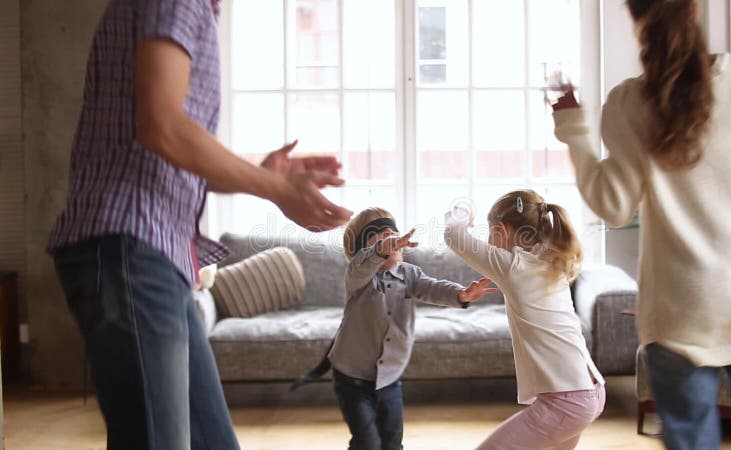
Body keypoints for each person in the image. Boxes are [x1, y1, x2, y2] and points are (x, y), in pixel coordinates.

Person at [47, 0, 352, 448]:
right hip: (129, 250)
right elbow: (163, 127)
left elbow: (169, 149)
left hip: (150, 254)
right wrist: (275, 188)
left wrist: (267, 173)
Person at [551, 0, 731, 448]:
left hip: (681, 311)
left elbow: (612, 205)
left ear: (634, 17)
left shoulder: (628, 102)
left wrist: (573, 128)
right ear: (695, 11)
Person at [310, 207, 495, 450]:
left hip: (389, 378)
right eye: (378, 234)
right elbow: (362, 265)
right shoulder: (358, 276)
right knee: (367, 443)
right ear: (361, 250)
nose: (390, 237)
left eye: (393, 233)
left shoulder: (409, 275)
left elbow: (432, 287)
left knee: (392, 441)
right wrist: (382, 247)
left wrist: (461, 294)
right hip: (351, 378)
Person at [444, 191, 605, 450]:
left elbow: (453, 235)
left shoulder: (513, 265)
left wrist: (462, 211)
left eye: (490, 231)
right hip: (591, 392)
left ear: (502, 230)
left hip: (567, 402)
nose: (488, 239)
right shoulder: (552, 261)